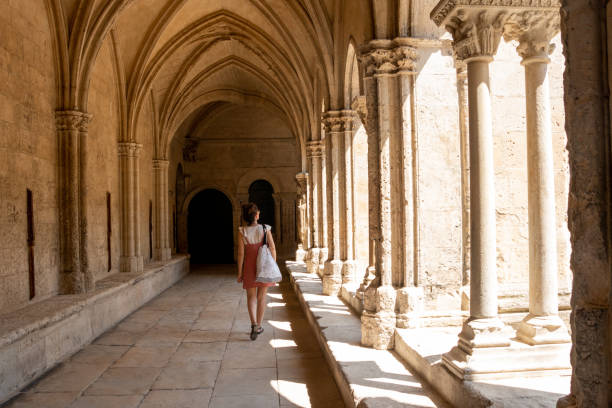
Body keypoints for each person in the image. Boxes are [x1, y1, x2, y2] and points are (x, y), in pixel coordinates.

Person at [236, 202, 277, 340]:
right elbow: (272, 248)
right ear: (257, 215)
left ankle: (253, 323)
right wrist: (273, 265)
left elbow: (241, 254)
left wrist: (240, 272)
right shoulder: (265, 229)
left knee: (251, 297)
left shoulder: (242, 231)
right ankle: (259, 325)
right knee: (261, 297)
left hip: (248, 266)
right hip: (263, 266)